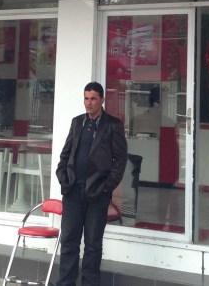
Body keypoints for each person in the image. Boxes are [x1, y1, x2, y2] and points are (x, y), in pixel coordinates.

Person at [56, 81, 128, 286]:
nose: (88, 103)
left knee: (93, 244)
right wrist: (63, 178)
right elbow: (65, 154)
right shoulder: (77, 122)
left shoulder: (113, 125)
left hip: (97, 193)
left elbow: (120, 160)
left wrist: (107, 187)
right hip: (72, 191)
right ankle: (65, 283)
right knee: (69, 242)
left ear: (102, 100)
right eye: (86, 98)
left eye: (93, 98)